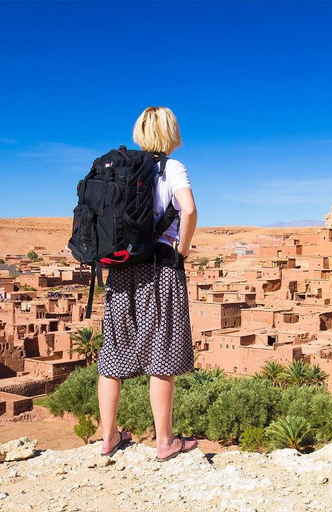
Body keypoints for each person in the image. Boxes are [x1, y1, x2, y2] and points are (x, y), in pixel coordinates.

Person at [97, 106, 199, 461]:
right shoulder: (171, 168)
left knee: (114, 352)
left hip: (122, 268)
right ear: (172, 133)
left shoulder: (118, 168)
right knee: (162, 352)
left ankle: (108, 438)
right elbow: (187, 210)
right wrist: (182, 250)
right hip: (160, 265)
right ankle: (165, 441)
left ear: (140, 132)